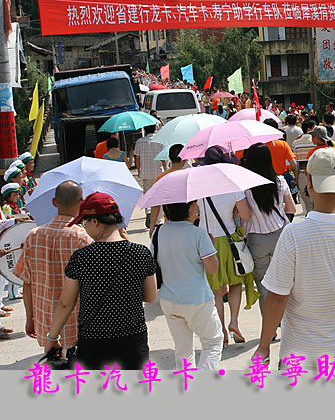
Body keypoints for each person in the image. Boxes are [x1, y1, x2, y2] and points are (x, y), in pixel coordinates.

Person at [251, 148, 335, 367]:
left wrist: (264, 345)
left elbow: (277, 297)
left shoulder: (294, 235)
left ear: (309, 182)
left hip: (303, 352)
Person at [44, 192, 157, 369]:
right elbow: (150, 297)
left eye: (84, 222)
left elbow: (66, 303)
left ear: (95, 222)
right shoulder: (140, 253)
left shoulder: (81, 258)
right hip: (133, 340)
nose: (84, 227)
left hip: (94, 341)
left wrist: (52, 338)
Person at [13, 181, 92, 355]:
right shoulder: (82, 239)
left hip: (46, 323)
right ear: (82, 202)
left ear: (54, 202)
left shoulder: (33, 236)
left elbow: (27, 283)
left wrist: (30, 317)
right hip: (78, 323)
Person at [197, 146, 260, 344]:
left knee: (216, 290)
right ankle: (234, 322)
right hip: (230, 239)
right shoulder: (233, 186)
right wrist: (231, 214)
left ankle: (221, 330)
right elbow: (246, 215)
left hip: (206, 241)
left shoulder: (198, 187)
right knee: (235, 283)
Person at [155, 200, 223, 370]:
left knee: (183, 350)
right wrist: (211, 246)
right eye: (194, 203)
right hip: (197, 300)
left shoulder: (159, 232)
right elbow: (213, 268)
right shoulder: (198, 234)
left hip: (168, 299)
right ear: (189, 207)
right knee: (213, 343)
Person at [236, 143, 296, 311]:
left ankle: (271, 327)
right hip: (281, 234)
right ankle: (287, 322)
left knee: (263, 285)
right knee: (285, 281)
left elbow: (245, 215)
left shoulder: (244, 186)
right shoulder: (280, 181)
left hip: (257, 240)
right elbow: (291, 209)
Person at [149, 144, 186, 236]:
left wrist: (152, 226)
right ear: (184, 158)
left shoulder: (160, 177)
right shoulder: (188, 175)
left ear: (169, 157)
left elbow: (155, 204)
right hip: (190, 220)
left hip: (170, 221)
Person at [135, 124, 164, 228]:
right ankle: (157, 219)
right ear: (155, 129)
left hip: (146, 173)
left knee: (147, 194)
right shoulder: (159, 141)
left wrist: (139, 170)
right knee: (159, 195)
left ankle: (148, 211)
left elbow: (137, 158)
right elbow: (163, 158)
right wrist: (165, 169)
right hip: (158, 172)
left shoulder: (139, 142)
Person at [293, 120, 317, 214]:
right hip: (316, 174)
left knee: (307, 204)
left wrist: (296, 178)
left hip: (302, 174)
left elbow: (295, 163)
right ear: (309, 129)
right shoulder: (315, 142)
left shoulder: (296, 143)